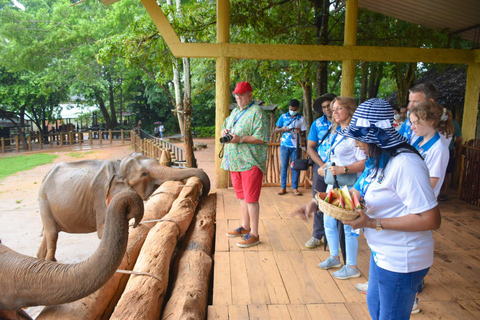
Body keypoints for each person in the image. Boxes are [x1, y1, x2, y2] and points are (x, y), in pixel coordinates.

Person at [341, 98, 441, 320]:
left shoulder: (406, 164)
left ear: (377, 138)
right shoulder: (379, 159)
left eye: (361, 139)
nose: (357, 145)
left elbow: (431, 219)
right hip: (382, 253)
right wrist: (319, 203)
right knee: (375, 308)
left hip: (402, 258)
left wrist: (373, 223)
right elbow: (358, 189)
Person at [317, 97, 366, 279]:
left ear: (350, 110)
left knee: (349, 226)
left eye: (339, 108)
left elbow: (364, 161)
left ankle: (352, 266)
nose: (334, 112)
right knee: (328, 221)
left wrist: (343, 169)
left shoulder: (356, 134)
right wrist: (327, 167)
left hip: (349, 186)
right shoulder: (336, 132)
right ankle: (334, 257)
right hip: (335, 183)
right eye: (333, 109)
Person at [222, 81, 270, 248]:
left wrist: (240, 139)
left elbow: (263, 137)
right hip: (235, 161)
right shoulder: (235, 112)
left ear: (250, 95)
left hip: (250, 161)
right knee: (242, 197)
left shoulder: (257, 112)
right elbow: (224, 127)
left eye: (241, 94)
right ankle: (245, 227)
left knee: (251, 199)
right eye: (236, 95)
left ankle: (255, 234)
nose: (238, 97)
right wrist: (224, 132)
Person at [304, 93, 336, 249]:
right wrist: (322, 165)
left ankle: (334, 237)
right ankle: (317, 235)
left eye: (329, 105)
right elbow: (310, 147)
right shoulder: (317, 124)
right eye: (323, 107)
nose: (327, 109)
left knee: (337, 200)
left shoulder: (345, 123)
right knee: (318, 198)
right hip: (321, 166)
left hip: (339, 168)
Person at [410, 100, 453, 197]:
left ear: (430, 121)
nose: (412, 127)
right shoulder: (418, 142)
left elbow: (431, 183)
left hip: (419, 201)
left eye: (416, 123)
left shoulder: (438, 149)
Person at [275, 99, 308, 196]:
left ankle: (295, 188)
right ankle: (283, 187)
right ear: (289, 108)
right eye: (291, 109)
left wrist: (300, 132)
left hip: (296, 147)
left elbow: (304, 133)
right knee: (284, 166)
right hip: (284, 145)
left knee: (295, 167)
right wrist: (283, 129)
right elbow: (276, 130)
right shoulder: (283, 117)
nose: (292, 110)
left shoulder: (301, 119)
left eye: (294, 109)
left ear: (298, 108)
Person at [439, 117, 463, 201]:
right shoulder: (453, 124)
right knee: (447, 172)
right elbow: (459, 139)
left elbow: (459, 139)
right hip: (448, 150)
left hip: (447, 150)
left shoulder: (434, 122)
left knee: (445, 172)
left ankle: (441, 193)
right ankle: (443, 193)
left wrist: (454, 146)